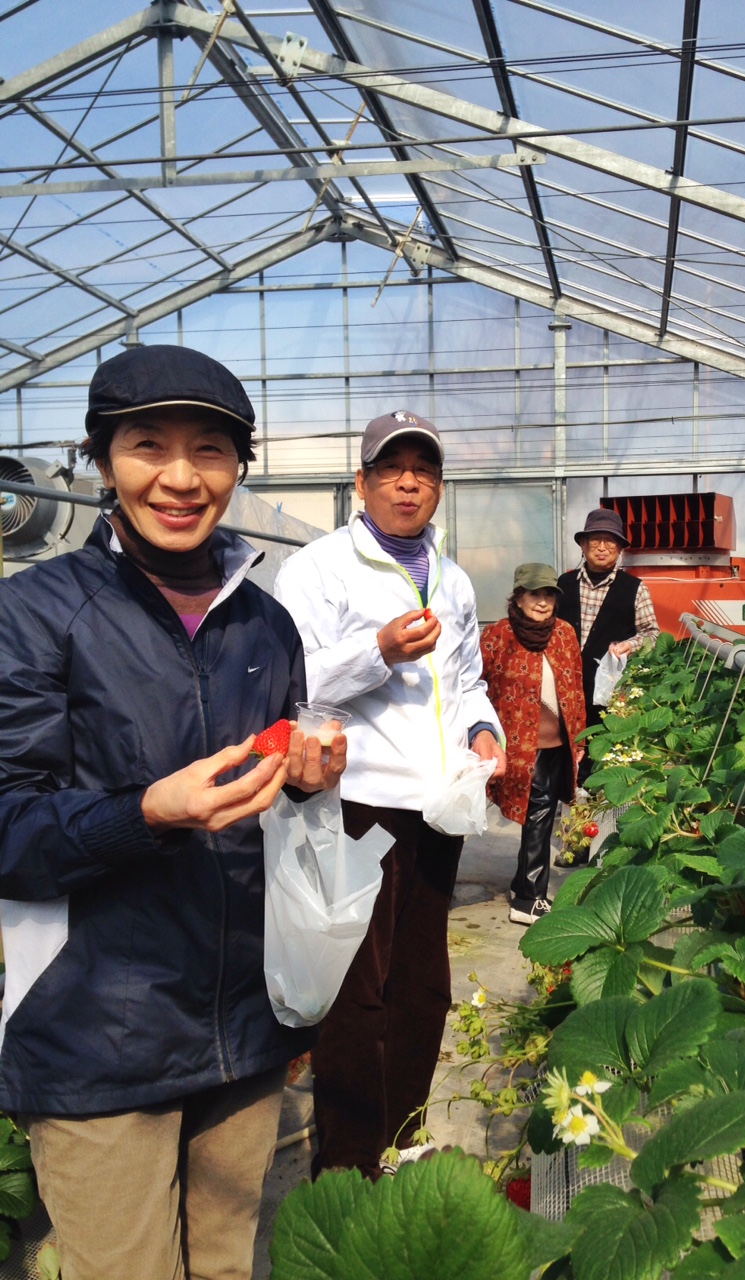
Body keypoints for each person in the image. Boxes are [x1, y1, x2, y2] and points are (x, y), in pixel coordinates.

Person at [0, 344, 347, 1280]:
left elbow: (273, 803)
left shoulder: (264, 623)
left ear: (239, 466)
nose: (182, 478)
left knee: (228, 1267)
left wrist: (308, 779)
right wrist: (147, 813)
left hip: (244, 1022)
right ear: (102, 458)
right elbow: (8, 828)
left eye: (211, 450)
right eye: (148, 445)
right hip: (96, 1033)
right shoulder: (34, 614)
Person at [274, 408, 506, 1180]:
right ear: (362, 482)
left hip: (437, 805)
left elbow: (467, 680)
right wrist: (377, 650)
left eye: (423, 470)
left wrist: (482, 729)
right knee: (357, 989)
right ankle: (346, 1165)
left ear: (438, 487)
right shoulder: (318, 570)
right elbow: (296, 682)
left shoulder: (453, 579)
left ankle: (403, 1135)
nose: (409, 483)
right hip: (357, 802)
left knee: (423, 987)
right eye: (392, 469)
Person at [480, 563, 586, 925]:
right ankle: (529, 898)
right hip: (518, 744)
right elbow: (478, 683)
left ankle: (523, 886)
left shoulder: (564, 633)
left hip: (558, 742)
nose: (542, 602)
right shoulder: (499, 635)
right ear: (518, 597)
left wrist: (580, 737)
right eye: (534, 594)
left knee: (542, 812)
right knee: (537, 812)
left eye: (548, 595)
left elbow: (575, 684)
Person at [556, 507, 659, 785]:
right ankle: (567, 794)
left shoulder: (635, 588)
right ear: (583, 545)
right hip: (565, 687)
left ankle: (597, 797)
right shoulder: (564, 584)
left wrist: (629, 645)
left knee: (603, 749)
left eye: (610, 541)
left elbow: (651, 634)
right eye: (595, 540)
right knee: (563, 748)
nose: (602, 547)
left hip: (609, 690)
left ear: (620, 548)